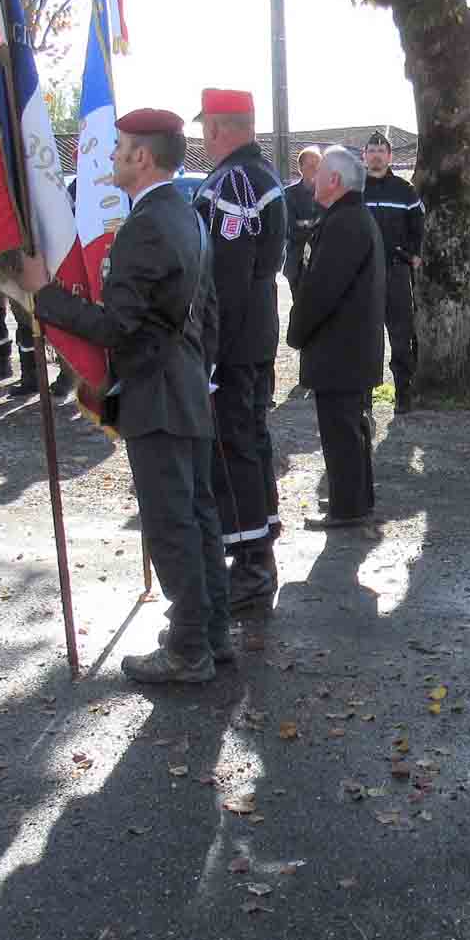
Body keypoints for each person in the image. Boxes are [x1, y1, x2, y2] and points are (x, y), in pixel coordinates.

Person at [30, 107, 231, 685]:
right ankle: (210, 633)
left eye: (118, 147)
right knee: (197, 515)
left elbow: (118, 325)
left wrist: (45, 296)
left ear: (141, 156)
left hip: (156, 392)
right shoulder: (186, 215)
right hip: (184, 386)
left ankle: (189, 649)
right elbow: (209, 314)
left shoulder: (147, 224)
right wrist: (198, 375)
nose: (111, 156)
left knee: (171, 524)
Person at [194, 88, 288, 611]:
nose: (203, 138)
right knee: (250, 441)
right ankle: (260, 547)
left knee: (234, 450)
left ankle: (252, 563)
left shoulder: (234, 182)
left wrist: (209, 352)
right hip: (254, 335)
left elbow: (227, 279)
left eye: (205, 128)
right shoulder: (262, 175)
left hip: (232, 341)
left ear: (216, 127)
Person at [287, 145, 384, 527]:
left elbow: (321, 290)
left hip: (340, 350)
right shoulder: (351, 217)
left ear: (335, 180)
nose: (313, 179)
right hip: (348, 349)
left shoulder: (345, 223)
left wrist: (296, 332)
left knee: (341, 430)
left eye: (321, 172)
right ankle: (355, 501)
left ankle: (348, 508)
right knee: (349, 428)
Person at [361, 131, 422, 413]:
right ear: (364, 156)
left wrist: (411, 255)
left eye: (381, 151)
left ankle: (403, 393)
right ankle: (364, 396)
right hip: (363, 276)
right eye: (371, 151)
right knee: (365, 337)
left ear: (389, 156)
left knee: (400, 335)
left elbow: (418, 228)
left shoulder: (404, 190)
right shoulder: (354, 190)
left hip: (396, 272)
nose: (376, 155)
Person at [284, 145, 321, 288]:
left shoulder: (329, 193)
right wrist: (318, 225)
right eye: (311, 166)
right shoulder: (289, 195)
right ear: (301, 168)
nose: (315, 170)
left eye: (318, 166)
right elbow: (292, 228)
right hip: (297, 263)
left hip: (322, 263)